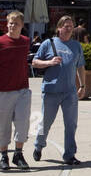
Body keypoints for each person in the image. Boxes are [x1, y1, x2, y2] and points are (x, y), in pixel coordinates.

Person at [0, 10, 32, 172]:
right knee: (2, 126)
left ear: (22, 26)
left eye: (16, 23)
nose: (12, 26)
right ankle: (4, 156)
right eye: (10, 23)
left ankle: (18, 154)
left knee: (23, 122)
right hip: (2, 91)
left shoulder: (25, 41)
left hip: (23, 90)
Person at [31, 15, 83, 166]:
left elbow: (80, 66)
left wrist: (82, 86)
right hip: (51, 91)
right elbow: (34, 62)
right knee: (45, 123)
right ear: (59, 28)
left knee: (71, 124)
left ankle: (69, 155)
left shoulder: (76, 46)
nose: (68, 29)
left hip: (70, 92)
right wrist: (49, 62)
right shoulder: (49, 43)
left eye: (71, 26)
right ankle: (38, 145)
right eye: (66, 26)